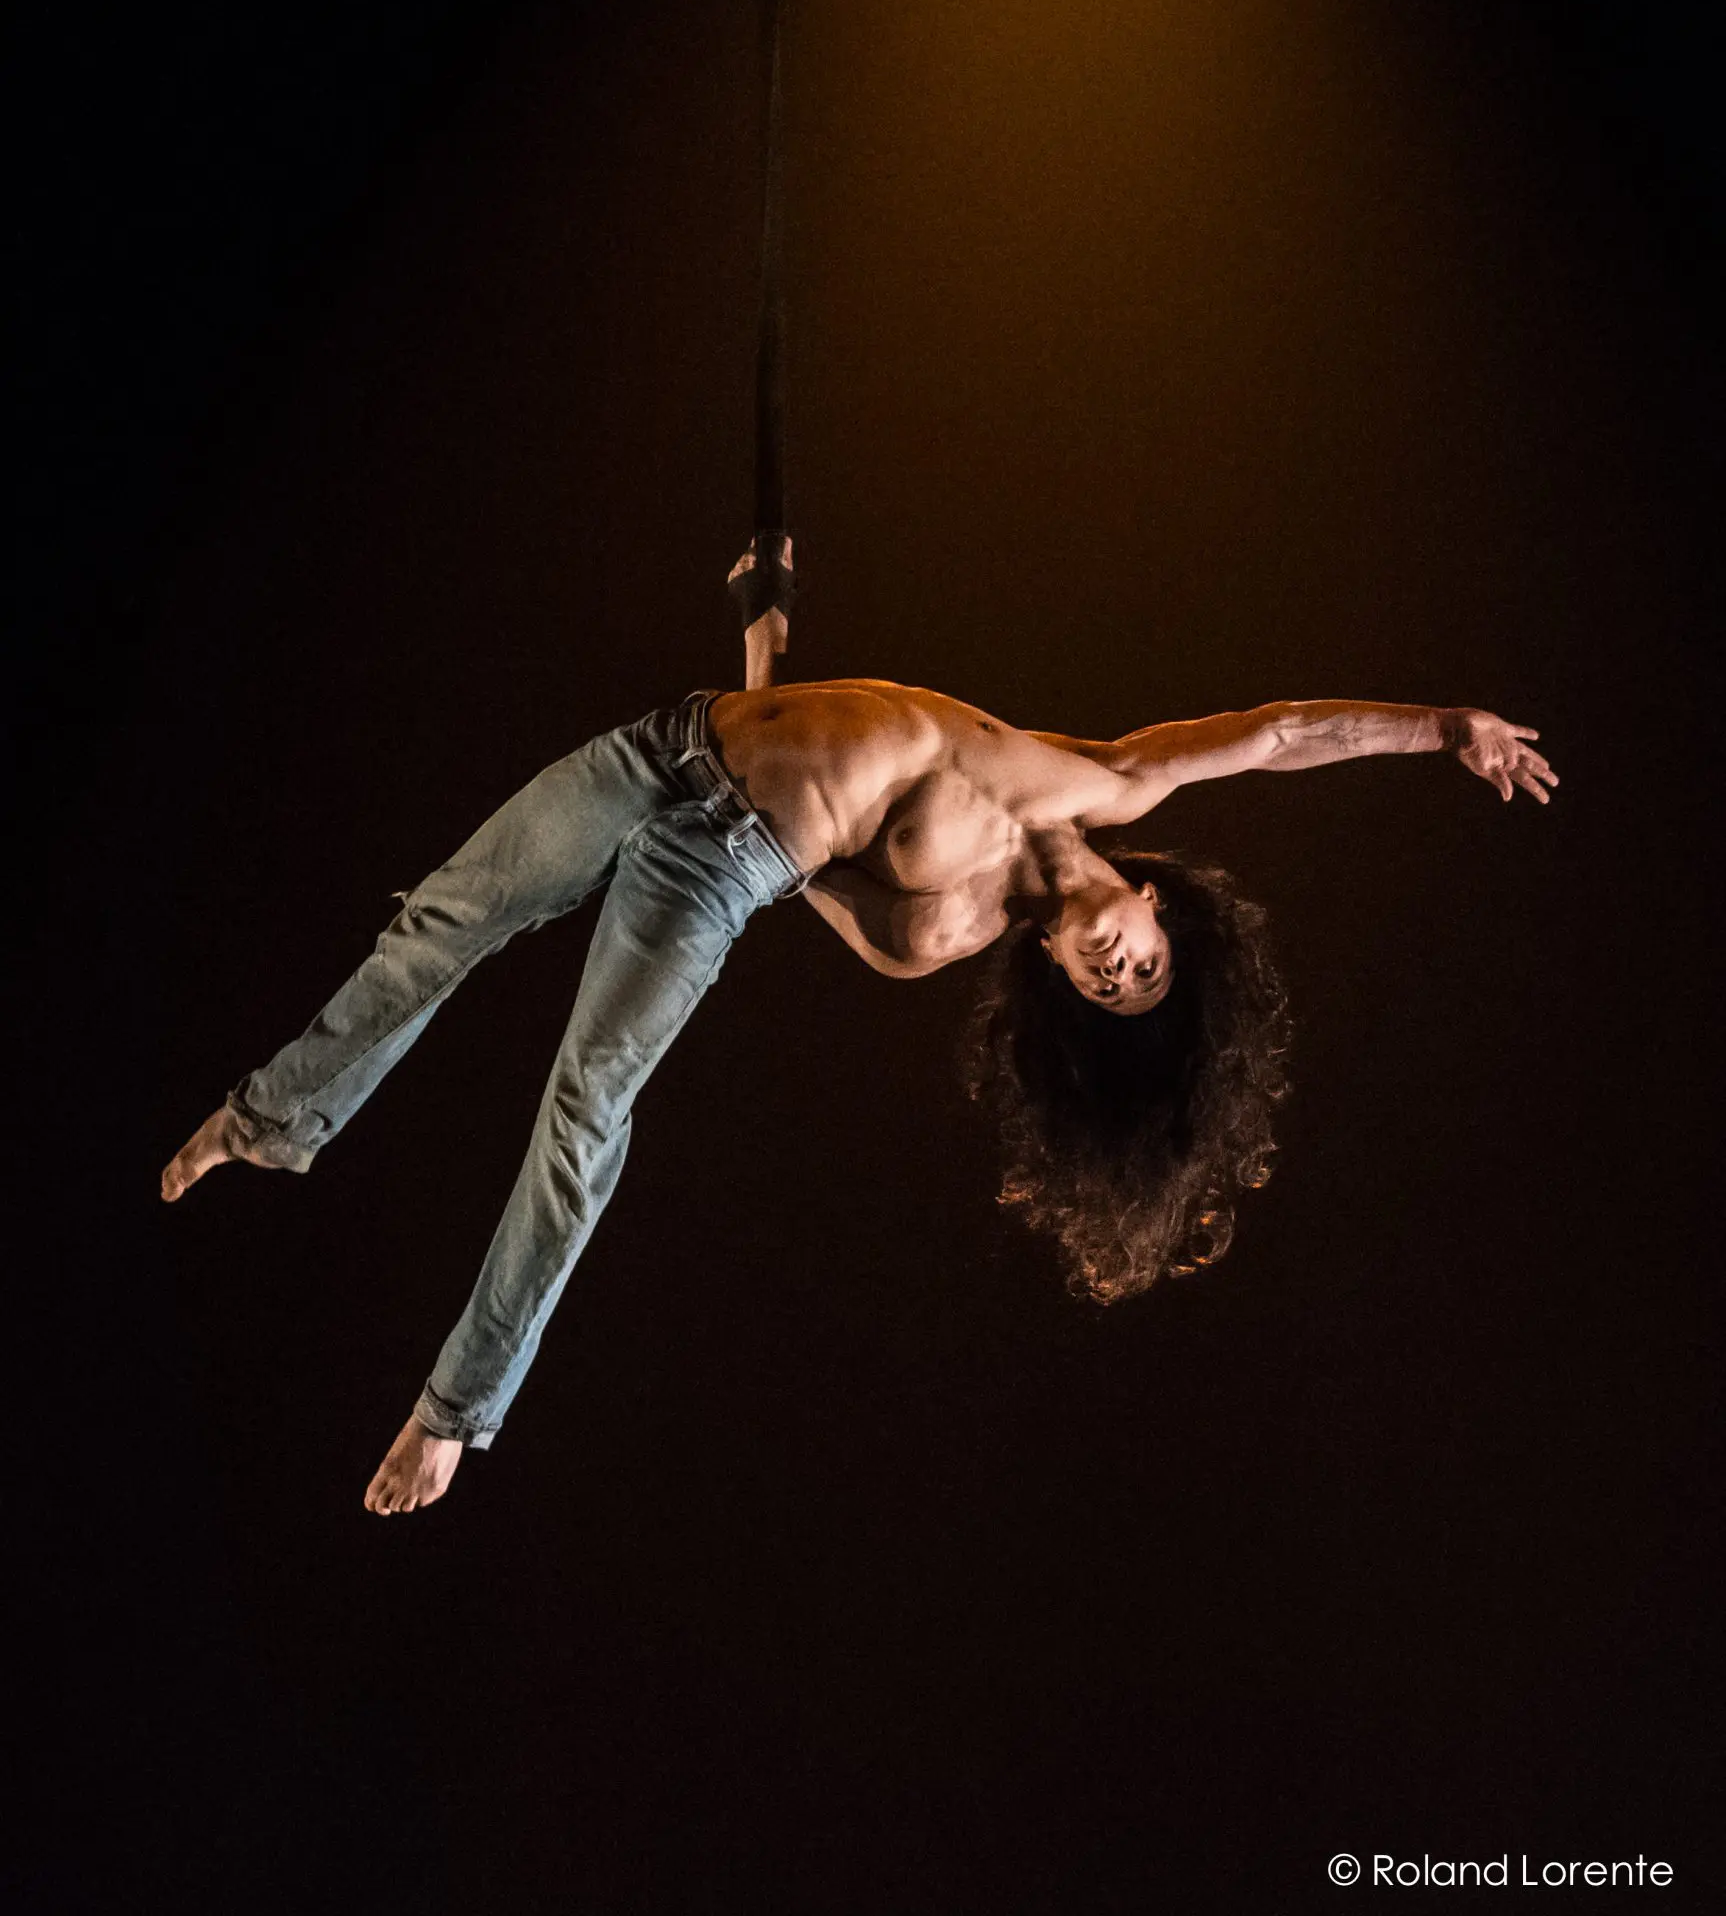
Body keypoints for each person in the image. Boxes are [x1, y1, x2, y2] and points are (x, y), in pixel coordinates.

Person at [161, 540, 1557, 1513]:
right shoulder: (1102, 780)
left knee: (587, 1105)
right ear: (1154, 906)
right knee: (441, 922)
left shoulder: (928, 937)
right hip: (662, 746)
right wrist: (1440, 729)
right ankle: (279, 1117)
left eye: (1105, 991)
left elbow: (802, 858)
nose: (1111, 972)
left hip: (715, 868)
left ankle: (457, 1410)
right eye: (1139, 968)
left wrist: (771, 786)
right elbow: (1269, 734)